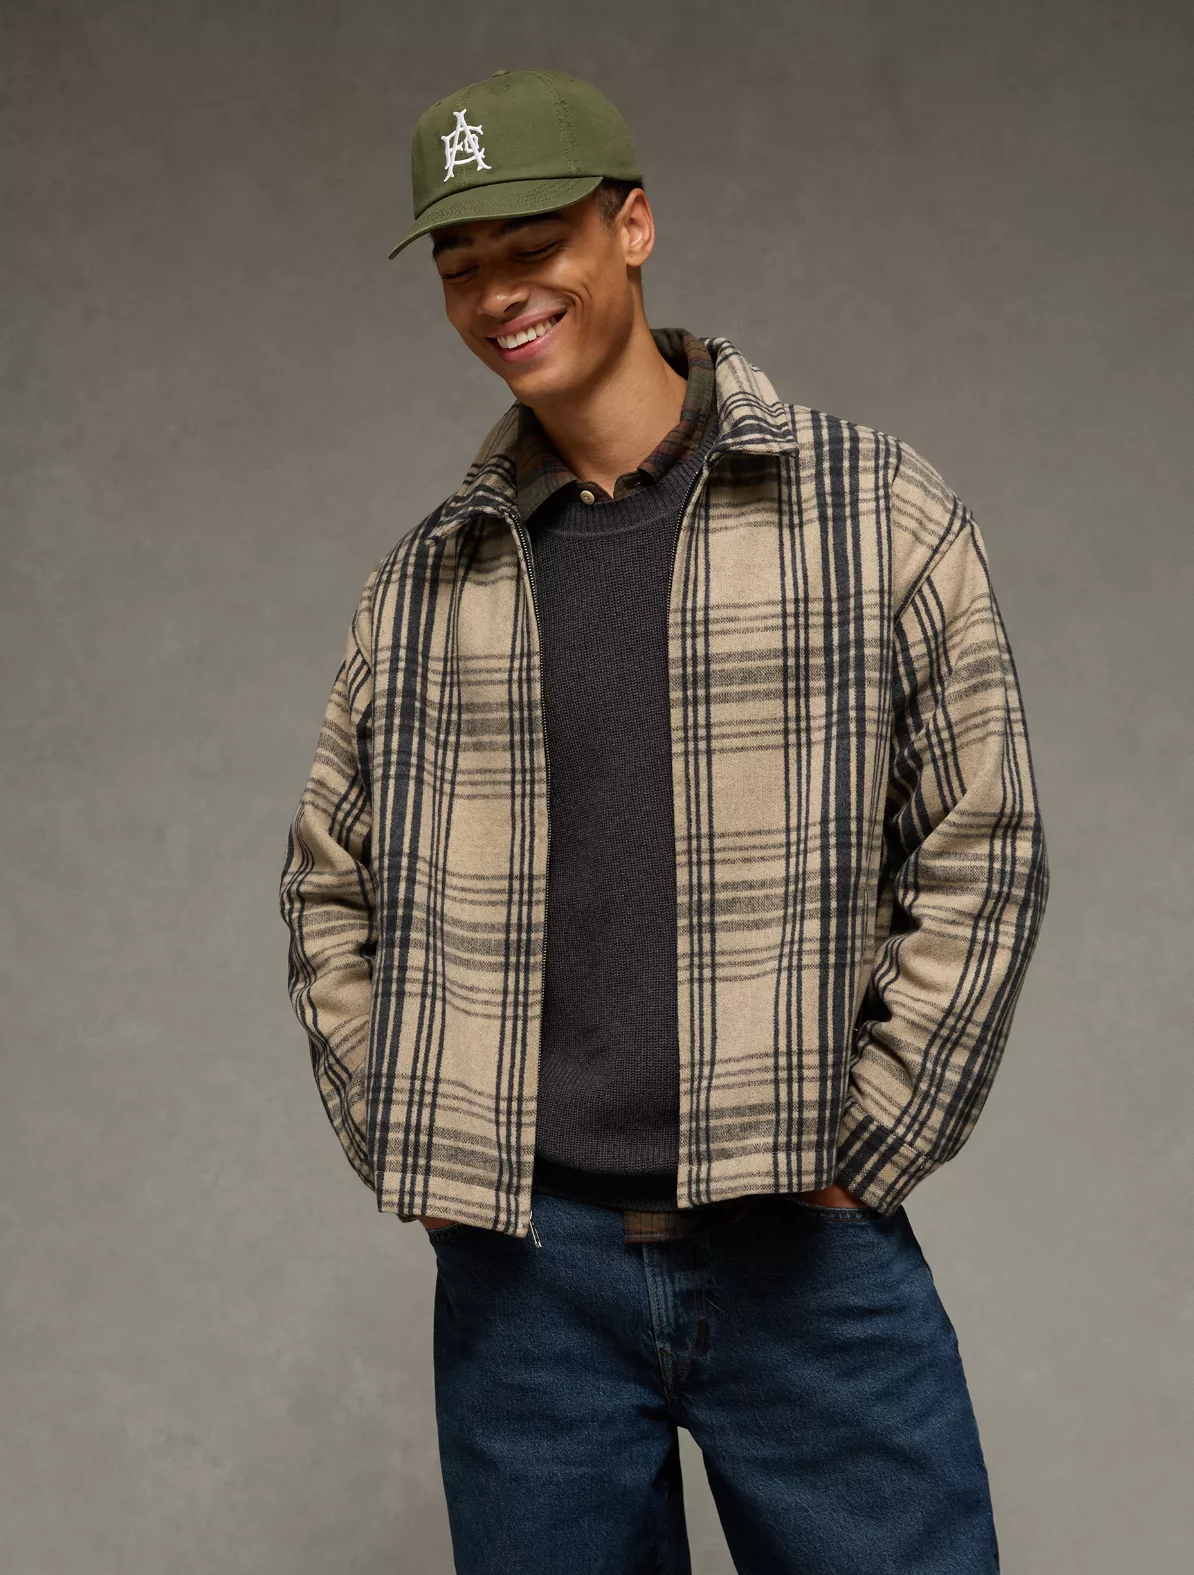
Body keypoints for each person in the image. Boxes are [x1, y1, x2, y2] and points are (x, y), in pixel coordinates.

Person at [279, 67, 1050, 1575]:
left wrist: (871, 1143)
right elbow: (327, 883)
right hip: (528, 1289)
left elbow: (984, 844)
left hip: (808, 1256)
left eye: (532, 245)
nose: (498, 294)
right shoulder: (424, 584)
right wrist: (409, 1129)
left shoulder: (870, 509)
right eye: (460, 265)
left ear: (631, 227)